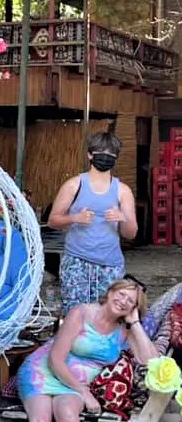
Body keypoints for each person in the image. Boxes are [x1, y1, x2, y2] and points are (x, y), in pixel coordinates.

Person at [17, 278, 158, 422]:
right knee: (41, 420)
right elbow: (55, 359)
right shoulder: (81, 313)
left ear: (133, 308)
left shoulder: (124, 329)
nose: (122, 302)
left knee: (67, 414)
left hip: (75, 385)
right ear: (110, 291)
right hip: (43, 372)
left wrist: (135, 323)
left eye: (130, 301)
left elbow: (151, 361)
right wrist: (85, 391)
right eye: (120, 294)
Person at [48, 132, 138, 315]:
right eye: (100, 152)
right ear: (90, 155)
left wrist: (122, 218)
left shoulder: (122, 191)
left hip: (110, 264)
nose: (106, 157)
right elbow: (52, 221)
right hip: (76, 262)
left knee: (108, 316)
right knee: (75, 315)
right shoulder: (74, 185)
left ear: (116, 158)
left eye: (111, 154)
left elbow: (131, 233)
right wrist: (74, 218)